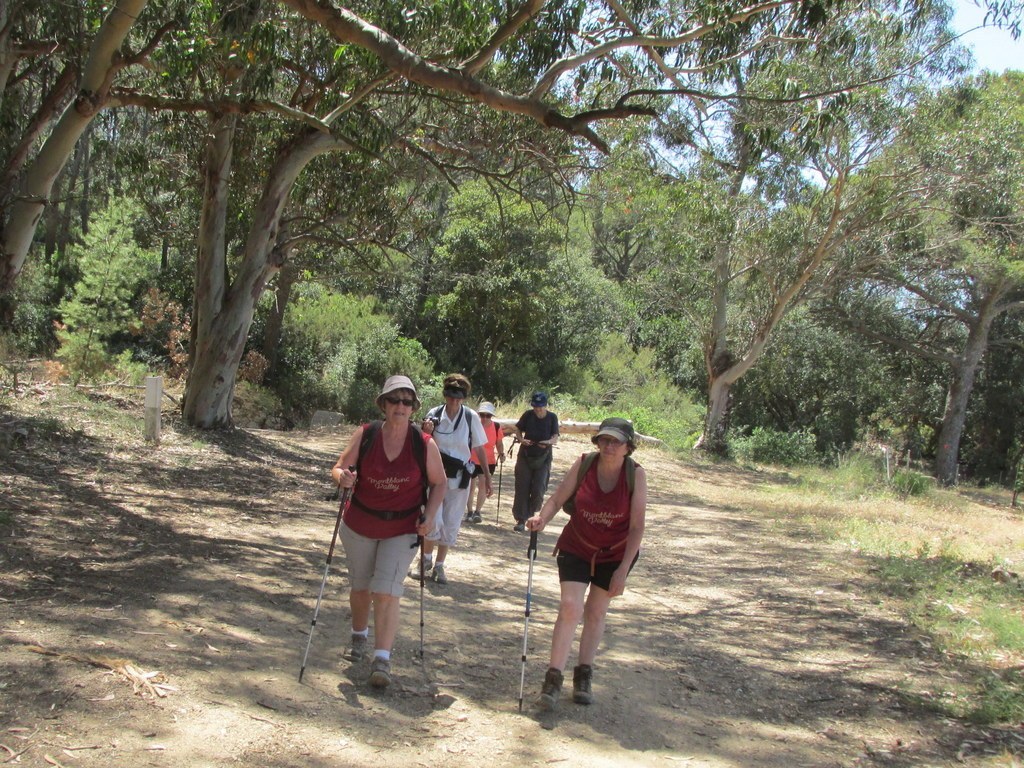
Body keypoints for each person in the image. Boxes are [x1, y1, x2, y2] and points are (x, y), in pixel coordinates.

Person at [330, 375, 446, 688]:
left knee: (386, 589)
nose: (400, 406)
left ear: (414, 409)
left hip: (402, 527)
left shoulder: (423, 444)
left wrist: (431, 516)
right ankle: (358, 636)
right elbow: (339, 466)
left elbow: (440, 482)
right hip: (360, 525)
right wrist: (342, 477)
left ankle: (382, 658)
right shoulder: (366, 434)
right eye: (394, 400)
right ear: (383, 404)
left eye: (407, 401)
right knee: (361, 587)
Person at [525, 417, 647, 710]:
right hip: (577, 544)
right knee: (570, 606)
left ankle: (584, 675)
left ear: (628, 447)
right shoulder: (584, 464)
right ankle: (552, 679)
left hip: (615, 553)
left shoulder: (635, 475)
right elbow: (556, 499)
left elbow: (637, 528)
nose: (608, 446)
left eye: (616, 441)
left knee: (595, 611)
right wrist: (542, 518)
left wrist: (622, 571)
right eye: (604, 439)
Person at [418, 373, 492, 584]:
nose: (454, 401)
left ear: (464, 398)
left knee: (451, 521)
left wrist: (487, 477)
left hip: (459, 478)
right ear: (445, 395)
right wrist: (426, 432)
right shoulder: (434, 414)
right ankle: (425, 560)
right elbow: (423, 443)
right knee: (432, 518)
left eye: (459, 397)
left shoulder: (470, 417)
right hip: (434, 476)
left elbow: (479, 447)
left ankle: (439, 566)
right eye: (451, 396)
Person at [509, 391, 559, 533]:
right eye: (536, 406)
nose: (538, 409)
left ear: (545, 405)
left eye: (540, 406)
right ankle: (521, 519)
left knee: (539, 487)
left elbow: (555, 437)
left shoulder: (552, 417)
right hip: (526, 454)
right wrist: (521, 439)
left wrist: (547, 442)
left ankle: (532, 514)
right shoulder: (527, 415)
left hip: (543, 456)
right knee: (522, 486)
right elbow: (518, 430)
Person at [465, 401, 504, 523]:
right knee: (470, 486)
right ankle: (469, 511)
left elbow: (499, 443)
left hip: (488, 461)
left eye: (488, 415)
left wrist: (501, 453)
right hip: (471, 459)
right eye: (482, 415)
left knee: (483, 485)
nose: (485, 418)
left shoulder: (496, 427)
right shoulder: (472, 425)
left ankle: (477, 511)